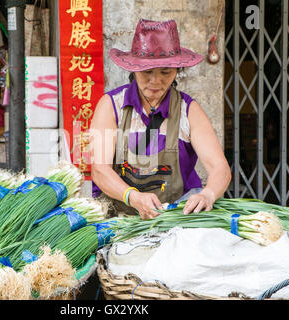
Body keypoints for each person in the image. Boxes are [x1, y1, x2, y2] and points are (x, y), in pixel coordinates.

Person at [90, 19, 231, 220]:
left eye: (165, 72)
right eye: (147, 72)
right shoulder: (111, 106)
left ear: (177, 71)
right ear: (134, 69)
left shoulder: (188, 110)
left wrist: (208, 194)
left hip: (175, 218)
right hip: (121, 219)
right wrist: (133, 197)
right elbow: (99, 169)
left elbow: (220, 167)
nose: (155, 81)